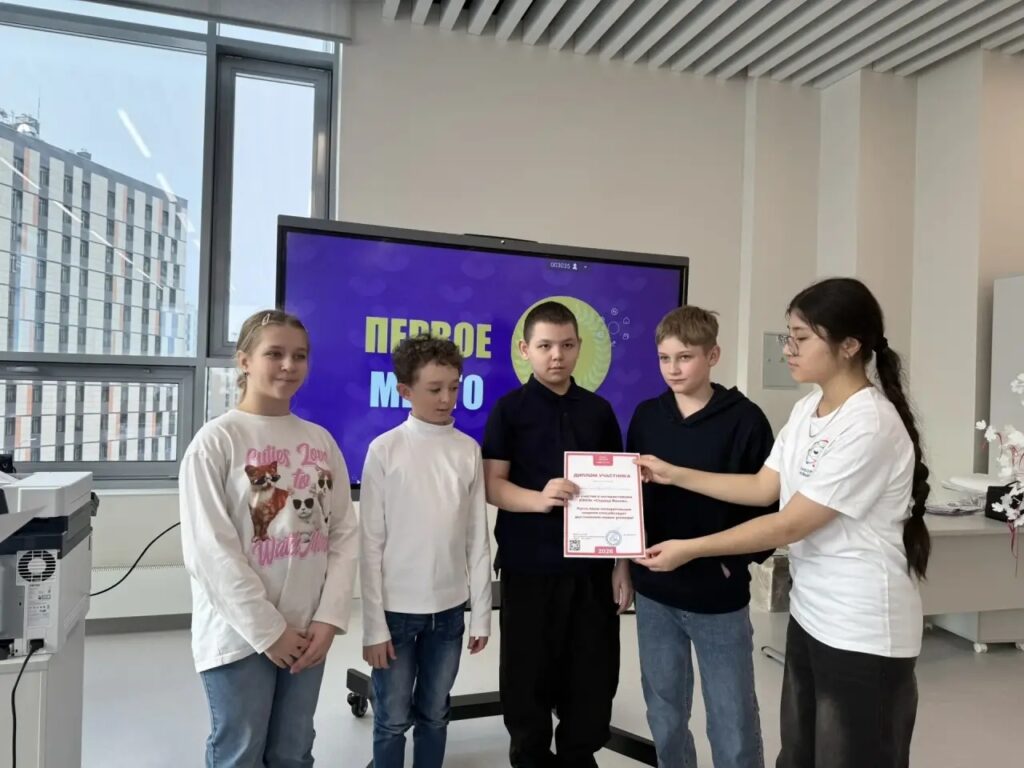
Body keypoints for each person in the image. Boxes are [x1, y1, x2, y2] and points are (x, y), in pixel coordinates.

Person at [635, 278, 930, 768]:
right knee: (798, 754)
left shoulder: (869, 424)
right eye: (788, 337)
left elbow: (788, 525)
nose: (788, 349)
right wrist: (673, 473)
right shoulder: (807, 409)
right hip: (812, 612)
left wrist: (690, 548)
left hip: (862, 626)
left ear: (849, 345)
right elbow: (761, 487)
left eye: (801, 338)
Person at [179, 309, 359, 767]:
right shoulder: (215, 442)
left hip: (307, 630)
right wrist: (269, 632)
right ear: (244, 361)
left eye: (299, 355)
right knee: (240, 751)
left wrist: (328, 619)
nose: (288, 365)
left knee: (293, 751)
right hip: (240, 634)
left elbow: (342, 535)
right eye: (274, 354)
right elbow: (209, 553)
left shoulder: (321, 441)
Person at [483, 300, 633, 768]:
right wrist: (540, 498)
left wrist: (622, 565)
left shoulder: (599, 412)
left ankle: (578, 756)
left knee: (592, 675)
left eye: (567, 345)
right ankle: (529, 757)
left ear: (579, 347)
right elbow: (492, 485)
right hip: (530, 566)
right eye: (545, 346)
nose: (557, 356)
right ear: (524, 349)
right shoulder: (510, 410)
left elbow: (622, 494)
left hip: (591, 571)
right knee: (526, 677)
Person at [627, 305, 774, 768]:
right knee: (665, 713)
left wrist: (729, 564)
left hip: (717, 596)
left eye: (685, 357)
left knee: (732, 720)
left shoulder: (746, 421)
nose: (673, 369)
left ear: (713, 356)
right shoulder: (646, 416)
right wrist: (623, 564)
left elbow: (767, 508)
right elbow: (629, 500)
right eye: (664, 358)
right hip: (654, 593)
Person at [360, 335, 492, 768]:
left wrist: (481, 614)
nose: (447, 398)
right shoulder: (385, 450)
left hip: (449, 613)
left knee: (435, 713)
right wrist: (373, 628)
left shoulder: (467, 450)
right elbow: (370, 545)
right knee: (392, 719)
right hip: (396, 613)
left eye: (453, 387)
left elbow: (477, 539)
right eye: (434, 389)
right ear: (405, 390)